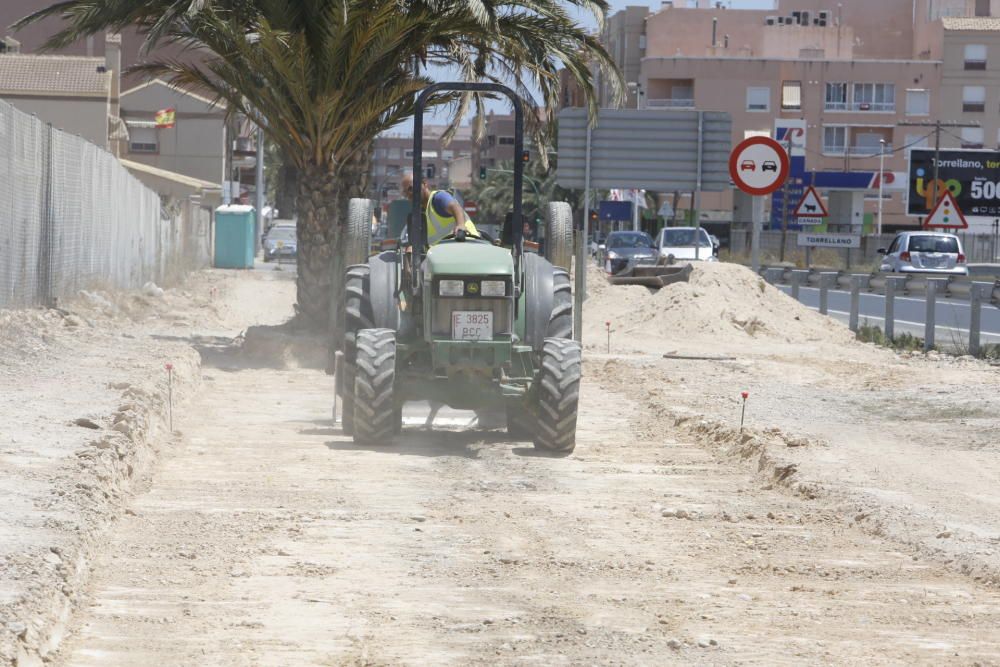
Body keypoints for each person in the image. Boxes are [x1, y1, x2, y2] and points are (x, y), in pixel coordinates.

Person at [401, 172, 478, 245]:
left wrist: (461, 225)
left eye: (411, 188)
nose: (409, 194)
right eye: (405, 192)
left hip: (468, 245)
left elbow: (455, 207)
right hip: (447, 254)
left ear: (424, 184)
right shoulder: (422, 214)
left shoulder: (438, 198)